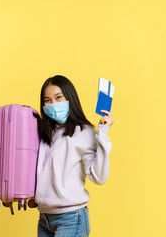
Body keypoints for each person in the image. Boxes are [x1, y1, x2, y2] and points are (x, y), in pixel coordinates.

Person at [35, 75, 114, 237]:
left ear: (70, 99)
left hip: (71, 218)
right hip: (44, 218)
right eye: (47, 100)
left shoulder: (83, 131)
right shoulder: (44, 134)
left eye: (58, 98)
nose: (53, 104)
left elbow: (99, 177)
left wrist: (103, 134)